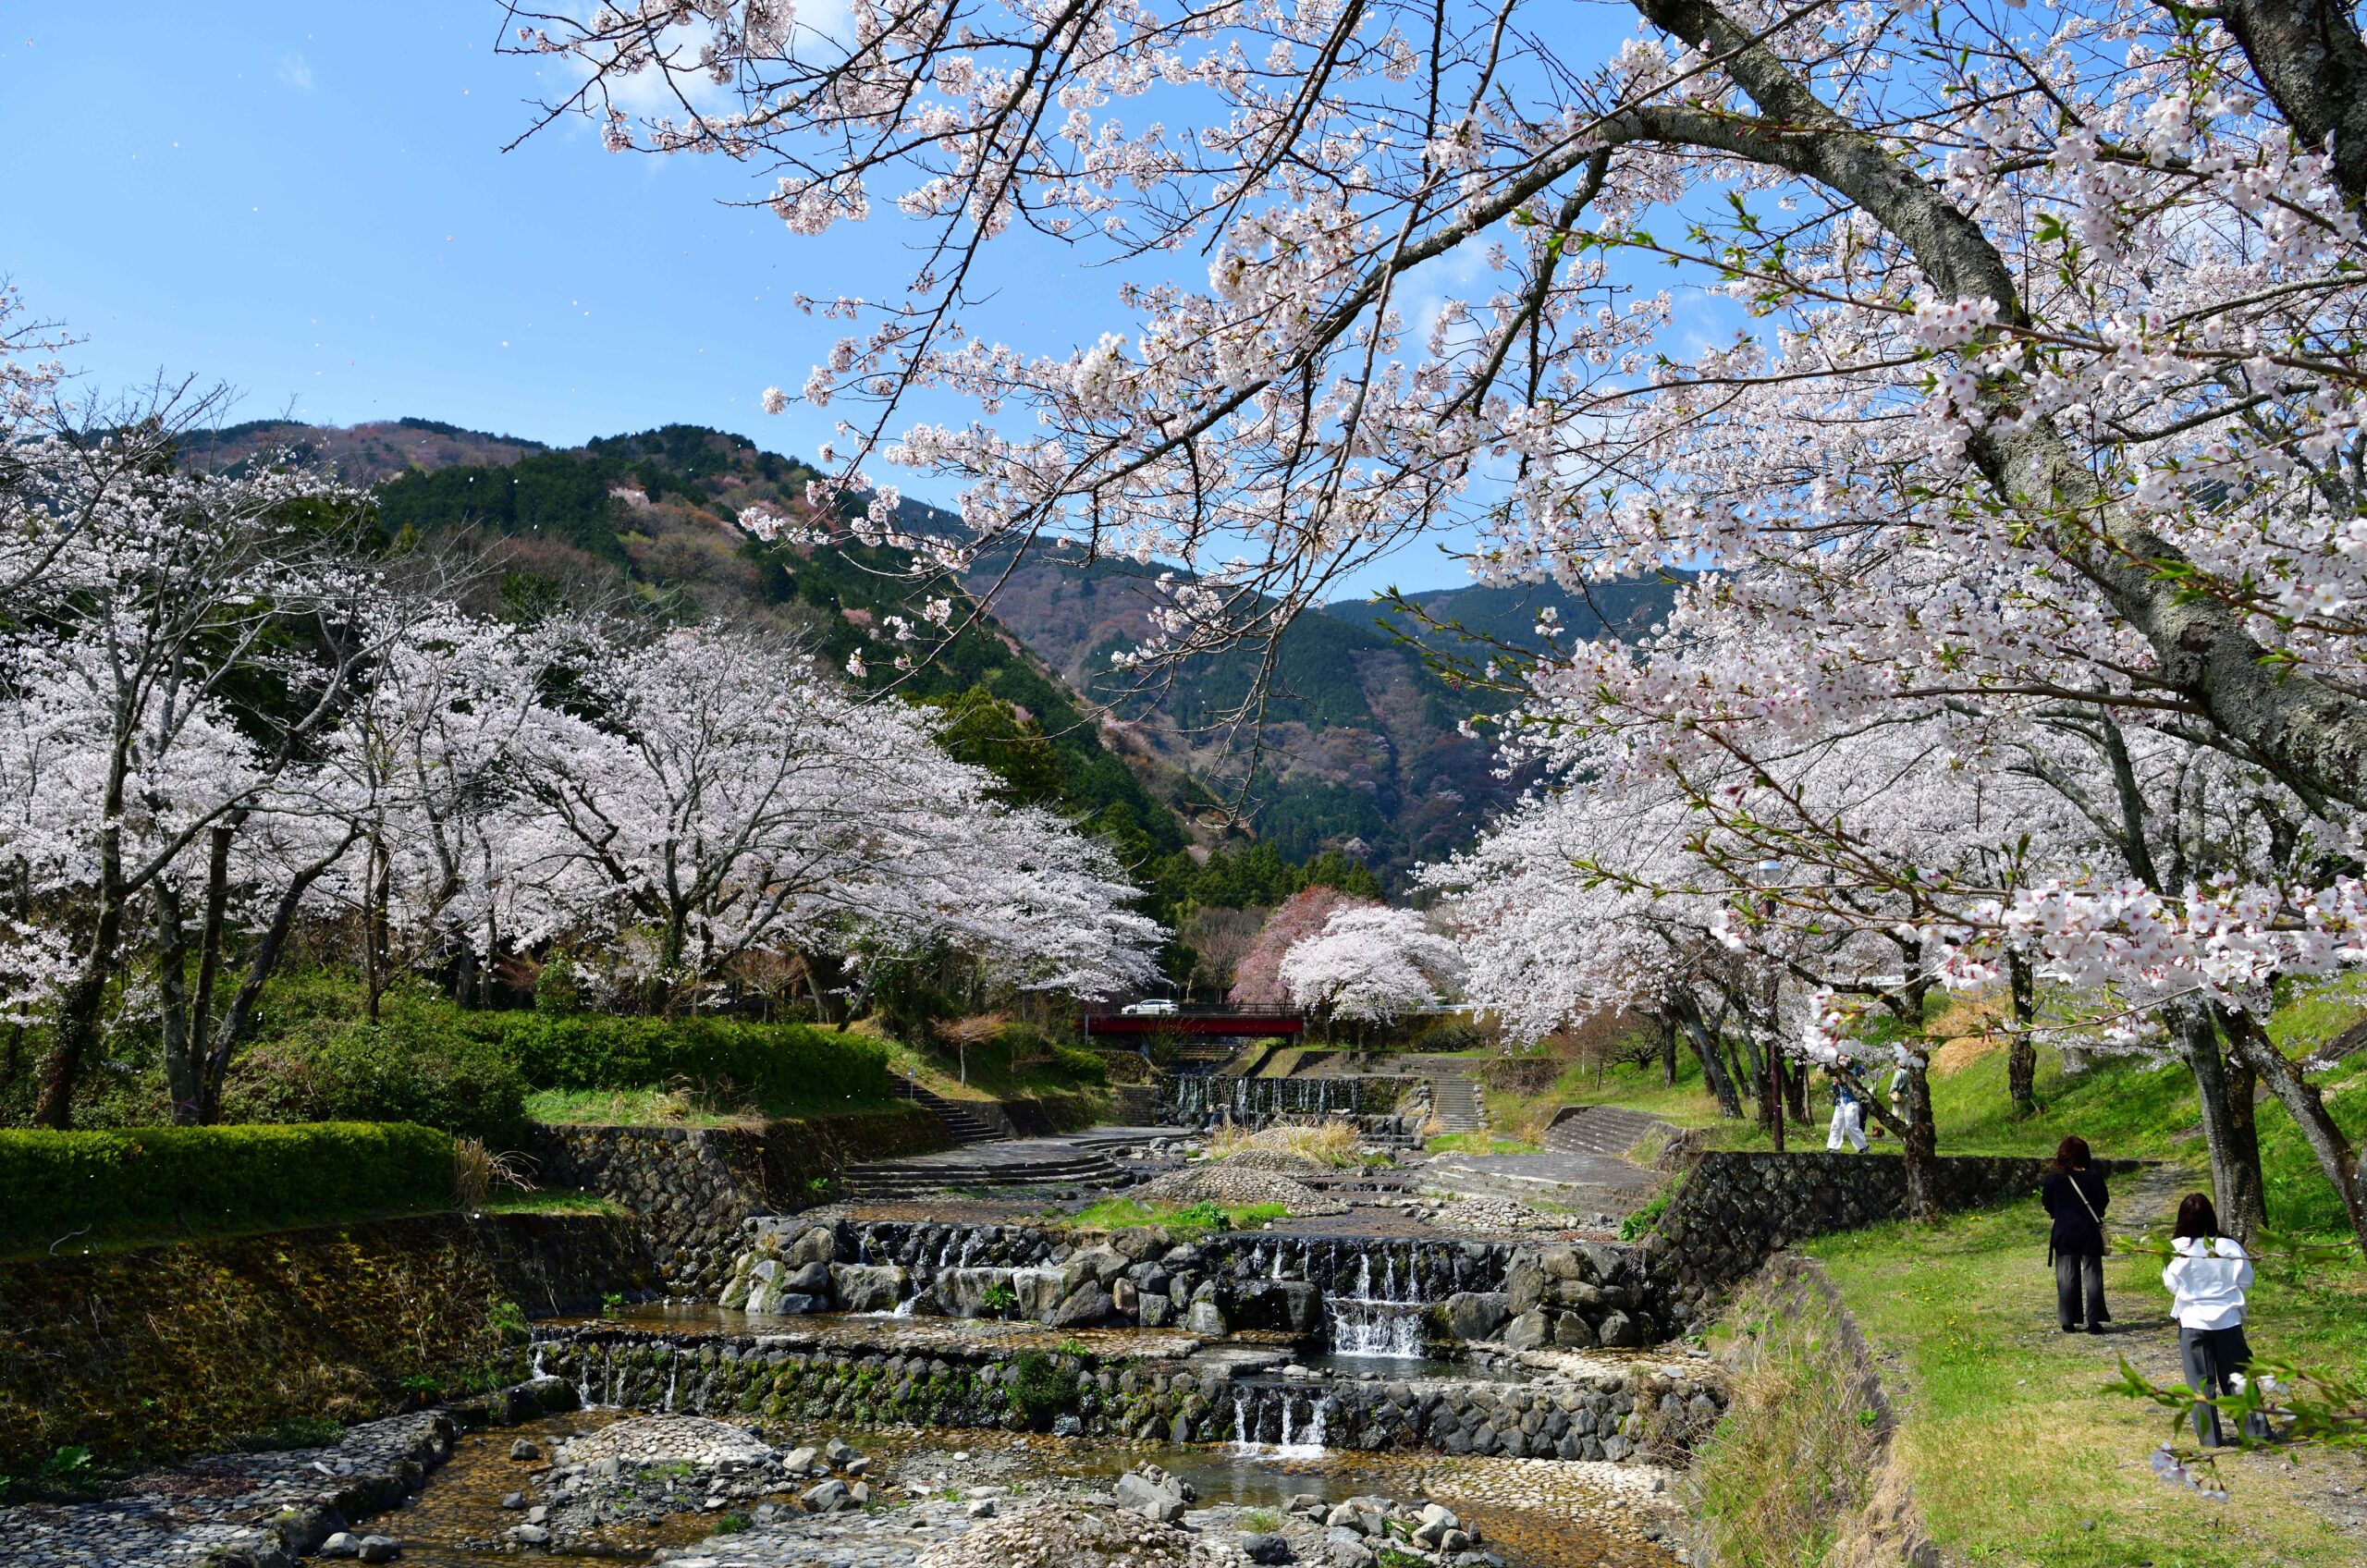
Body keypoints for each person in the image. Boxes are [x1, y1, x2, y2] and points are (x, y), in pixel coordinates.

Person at [2164, 1193, 2267, 1447]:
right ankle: (2256, 1432)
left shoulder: (2176, 1249)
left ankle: (2210, 1438)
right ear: (2211, 1217)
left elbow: (2171, 1284)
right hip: (2228, 1320)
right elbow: (2246, 1280)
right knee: (2238, 1377)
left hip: (2192, 1321)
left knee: (2200, 1382)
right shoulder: (2228, 1247)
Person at [2040, 1135, 2111, 1333]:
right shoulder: (2093, 1176)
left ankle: (2068, 1320)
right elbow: (2103, 1201)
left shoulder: (2054, 1178)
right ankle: (2094, 1320)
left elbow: (2047, 1202)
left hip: (2064, 1231)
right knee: (2093, 1276)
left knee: (2066, 1276)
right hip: (2089, 1231)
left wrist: (2058, 1214)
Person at [1825, 1072, 1868, 1153]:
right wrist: (1835, 1085)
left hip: (1851, 1101)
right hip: (1840, 1102)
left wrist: (1842, 1081)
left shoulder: (1852, 1072)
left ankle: (1862, 1147)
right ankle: (1833, 1147)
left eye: (1843, 1059)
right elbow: (1835, 1092)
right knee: (1836, 1124)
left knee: (1851, 1124)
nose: (1841, 1061)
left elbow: (1855, 1086)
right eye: (1839, 1059)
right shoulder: (1835, 1073)